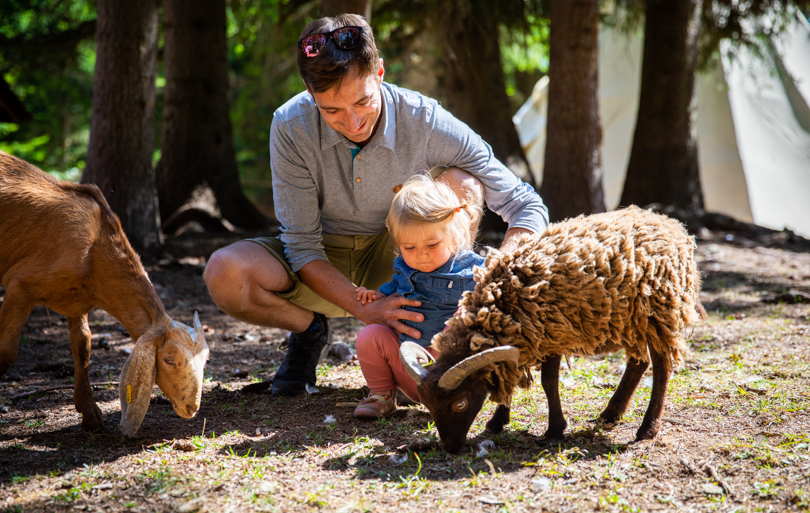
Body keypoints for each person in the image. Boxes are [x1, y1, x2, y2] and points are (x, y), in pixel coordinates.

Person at [203, 13, 548, 397]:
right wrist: (361, 306)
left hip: (407, 255)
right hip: (322, 261)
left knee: (464, 182)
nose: (352, 123)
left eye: (363, 101)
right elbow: (301, 245)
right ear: (309, 92)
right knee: (225, 273)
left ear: (380, 72)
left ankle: (444, 324)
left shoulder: (424, 118)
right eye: (331, 111)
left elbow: (525, 203)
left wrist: (495, 278)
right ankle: (308, 329)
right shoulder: (289, 124)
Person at [353, 174, 484, 419]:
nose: (421, 255)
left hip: (450, 370)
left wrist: (473, 307)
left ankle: (457, 402)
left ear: (453, 236)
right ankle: (382, 395)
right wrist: (374, 296)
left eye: (432, 245)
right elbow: (394, 287)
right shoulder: (405, 267)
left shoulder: (469, 270)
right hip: (409, 363)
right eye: (409, 248)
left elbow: (493, 289)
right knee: (369, 335)